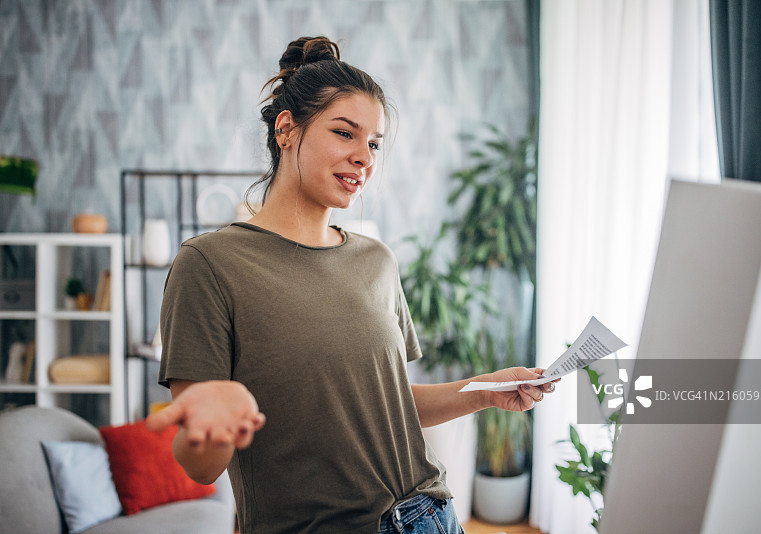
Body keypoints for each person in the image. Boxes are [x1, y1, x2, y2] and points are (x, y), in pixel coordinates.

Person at [146, 36, 558, 534]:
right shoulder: (209, 264)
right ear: (286, 130)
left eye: (375, 143)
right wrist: (209, 426)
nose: (365, 156)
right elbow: (203, 465)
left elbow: (385, 405)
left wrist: (483, 392)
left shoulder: (376, 260)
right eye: (345, 133)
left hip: (431, 516)